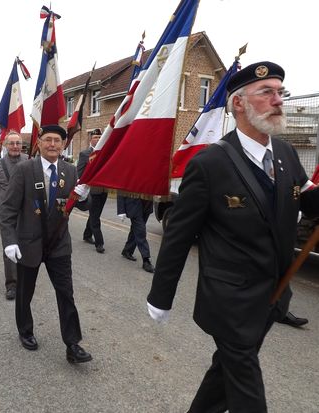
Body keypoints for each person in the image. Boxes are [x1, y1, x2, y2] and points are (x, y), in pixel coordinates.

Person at [146, 61, 319, 412]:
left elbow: (307, 199)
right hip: (228, 302)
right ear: (238, 103)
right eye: (266, 93)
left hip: (273, 295)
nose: (278, 100)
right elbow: (178, 236)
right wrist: (160, 297)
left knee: (224, 374)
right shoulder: (211, 164)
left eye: (280, 93)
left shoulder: (285, 154)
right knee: (247, 392)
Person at [0, 124, 92, 363]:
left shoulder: (70, 171)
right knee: (24, 292)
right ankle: (25, 330)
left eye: (57, 141)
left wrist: (83, 195)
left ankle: (73, 344)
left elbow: (81, 206)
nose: (52, 145)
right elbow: (8, 208)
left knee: (66, 294)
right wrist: (9, 242)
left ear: (63, 145)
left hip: (59, 244)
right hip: (28, 243)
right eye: (48, 140)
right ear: (39, 143)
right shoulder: (24, 170)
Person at [0, 131, 29, 300]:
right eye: (12, 143)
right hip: (6, 215)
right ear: (5, 145)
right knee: (9, 249)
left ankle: (24, 279)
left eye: (18, 143)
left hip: (26, 214)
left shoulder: (28, 161)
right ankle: (11, 284)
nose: (15, 146)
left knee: (25, 247)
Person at [77, 128, 108, 253]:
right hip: (91, 191)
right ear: (91, 139)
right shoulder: (85, 154)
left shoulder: (104, 152)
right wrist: (80, 188)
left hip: (103, 190)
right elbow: (79, 172)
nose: (98, 139)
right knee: (95, 217)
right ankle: (99, 243)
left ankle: (87, 234)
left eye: (100, 137)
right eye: (95, 137)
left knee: (96, 215)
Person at [117, 196, 155, 273]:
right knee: (141, 232)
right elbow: (121, 188)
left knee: (136, 230)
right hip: (133, 204)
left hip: (147, 204)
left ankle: (127, 250)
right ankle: (146, 260)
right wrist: (121, 209)